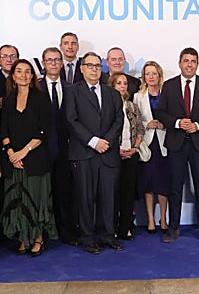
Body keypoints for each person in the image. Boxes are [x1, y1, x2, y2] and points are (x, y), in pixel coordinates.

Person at [155, 47, 199, 243]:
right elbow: (161, 112)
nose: (189, 64)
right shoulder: (169, 85)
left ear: (197, 64)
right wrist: (177, 123)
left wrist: (198, 125)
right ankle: (173, 228)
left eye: (193, 61)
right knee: (175, 188)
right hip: (176, 143)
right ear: (180, 63)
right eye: (186, 61)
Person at [64, 52, 121, 254]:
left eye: (97, 66)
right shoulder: (72, 91)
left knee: (108, 197)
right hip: (84, 153)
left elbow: (118, 120)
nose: (94, 69)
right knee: (85, 198)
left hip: (107, 153)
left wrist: (106, 142)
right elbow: (71, 120)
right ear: (82, 68)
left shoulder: (112, 93)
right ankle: (87, 238)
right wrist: (93, 141)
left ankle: (108, 235)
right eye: (90, 65)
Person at [0, 59, 57, 256]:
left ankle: (38, 238)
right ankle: (24, 237)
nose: (23, 75)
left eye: (27, 71)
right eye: (19, 71)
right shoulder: (8, 100)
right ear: (13, 76)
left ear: (32, 76)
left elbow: (44, 130)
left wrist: (23, 152)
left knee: (36, 199)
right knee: (18, 200)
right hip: (13, 161)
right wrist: (11, 153)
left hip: (35, 159)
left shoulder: (41, 98)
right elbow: (3, 129)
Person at [41, 46, 77, 244]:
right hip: (41, 149)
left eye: (57, 60)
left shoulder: (71, 88)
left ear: (62, 63)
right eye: (49, 60)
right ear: (43, 63)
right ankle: (43, 233)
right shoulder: (35, 87)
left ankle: (67, 233)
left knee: (66, 193)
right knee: (43, 194)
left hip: (65, 150)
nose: (53, 63)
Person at [135, 60, 170, 233]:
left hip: (164, 144)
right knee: (148, 183)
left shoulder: (167, 94)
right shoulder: (138, 96)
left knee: (163, 183)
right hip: (146, 145)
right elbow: (135, 121)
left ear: (159, 75)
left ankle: (163, 219)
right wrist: (146, 124)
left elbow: (173, 117)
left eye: (154, 73)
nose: (151, 77)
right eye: (147, 73)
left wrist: (164, 124)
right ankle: (150, 220)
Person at [110, 72, 145, 240]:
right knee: (113, 193)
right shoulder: (107, 107)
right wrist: (116, 149)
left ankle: (126, 226)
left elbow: (140, 129)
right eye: (119, 83)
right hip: (112, 155)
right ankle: (113, 227)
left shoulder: (132, 106)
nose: (123, 86)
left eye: (124, 83)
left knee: (128, 192)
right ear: (112, 86)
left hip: (131, 154)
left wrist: (134, 148)